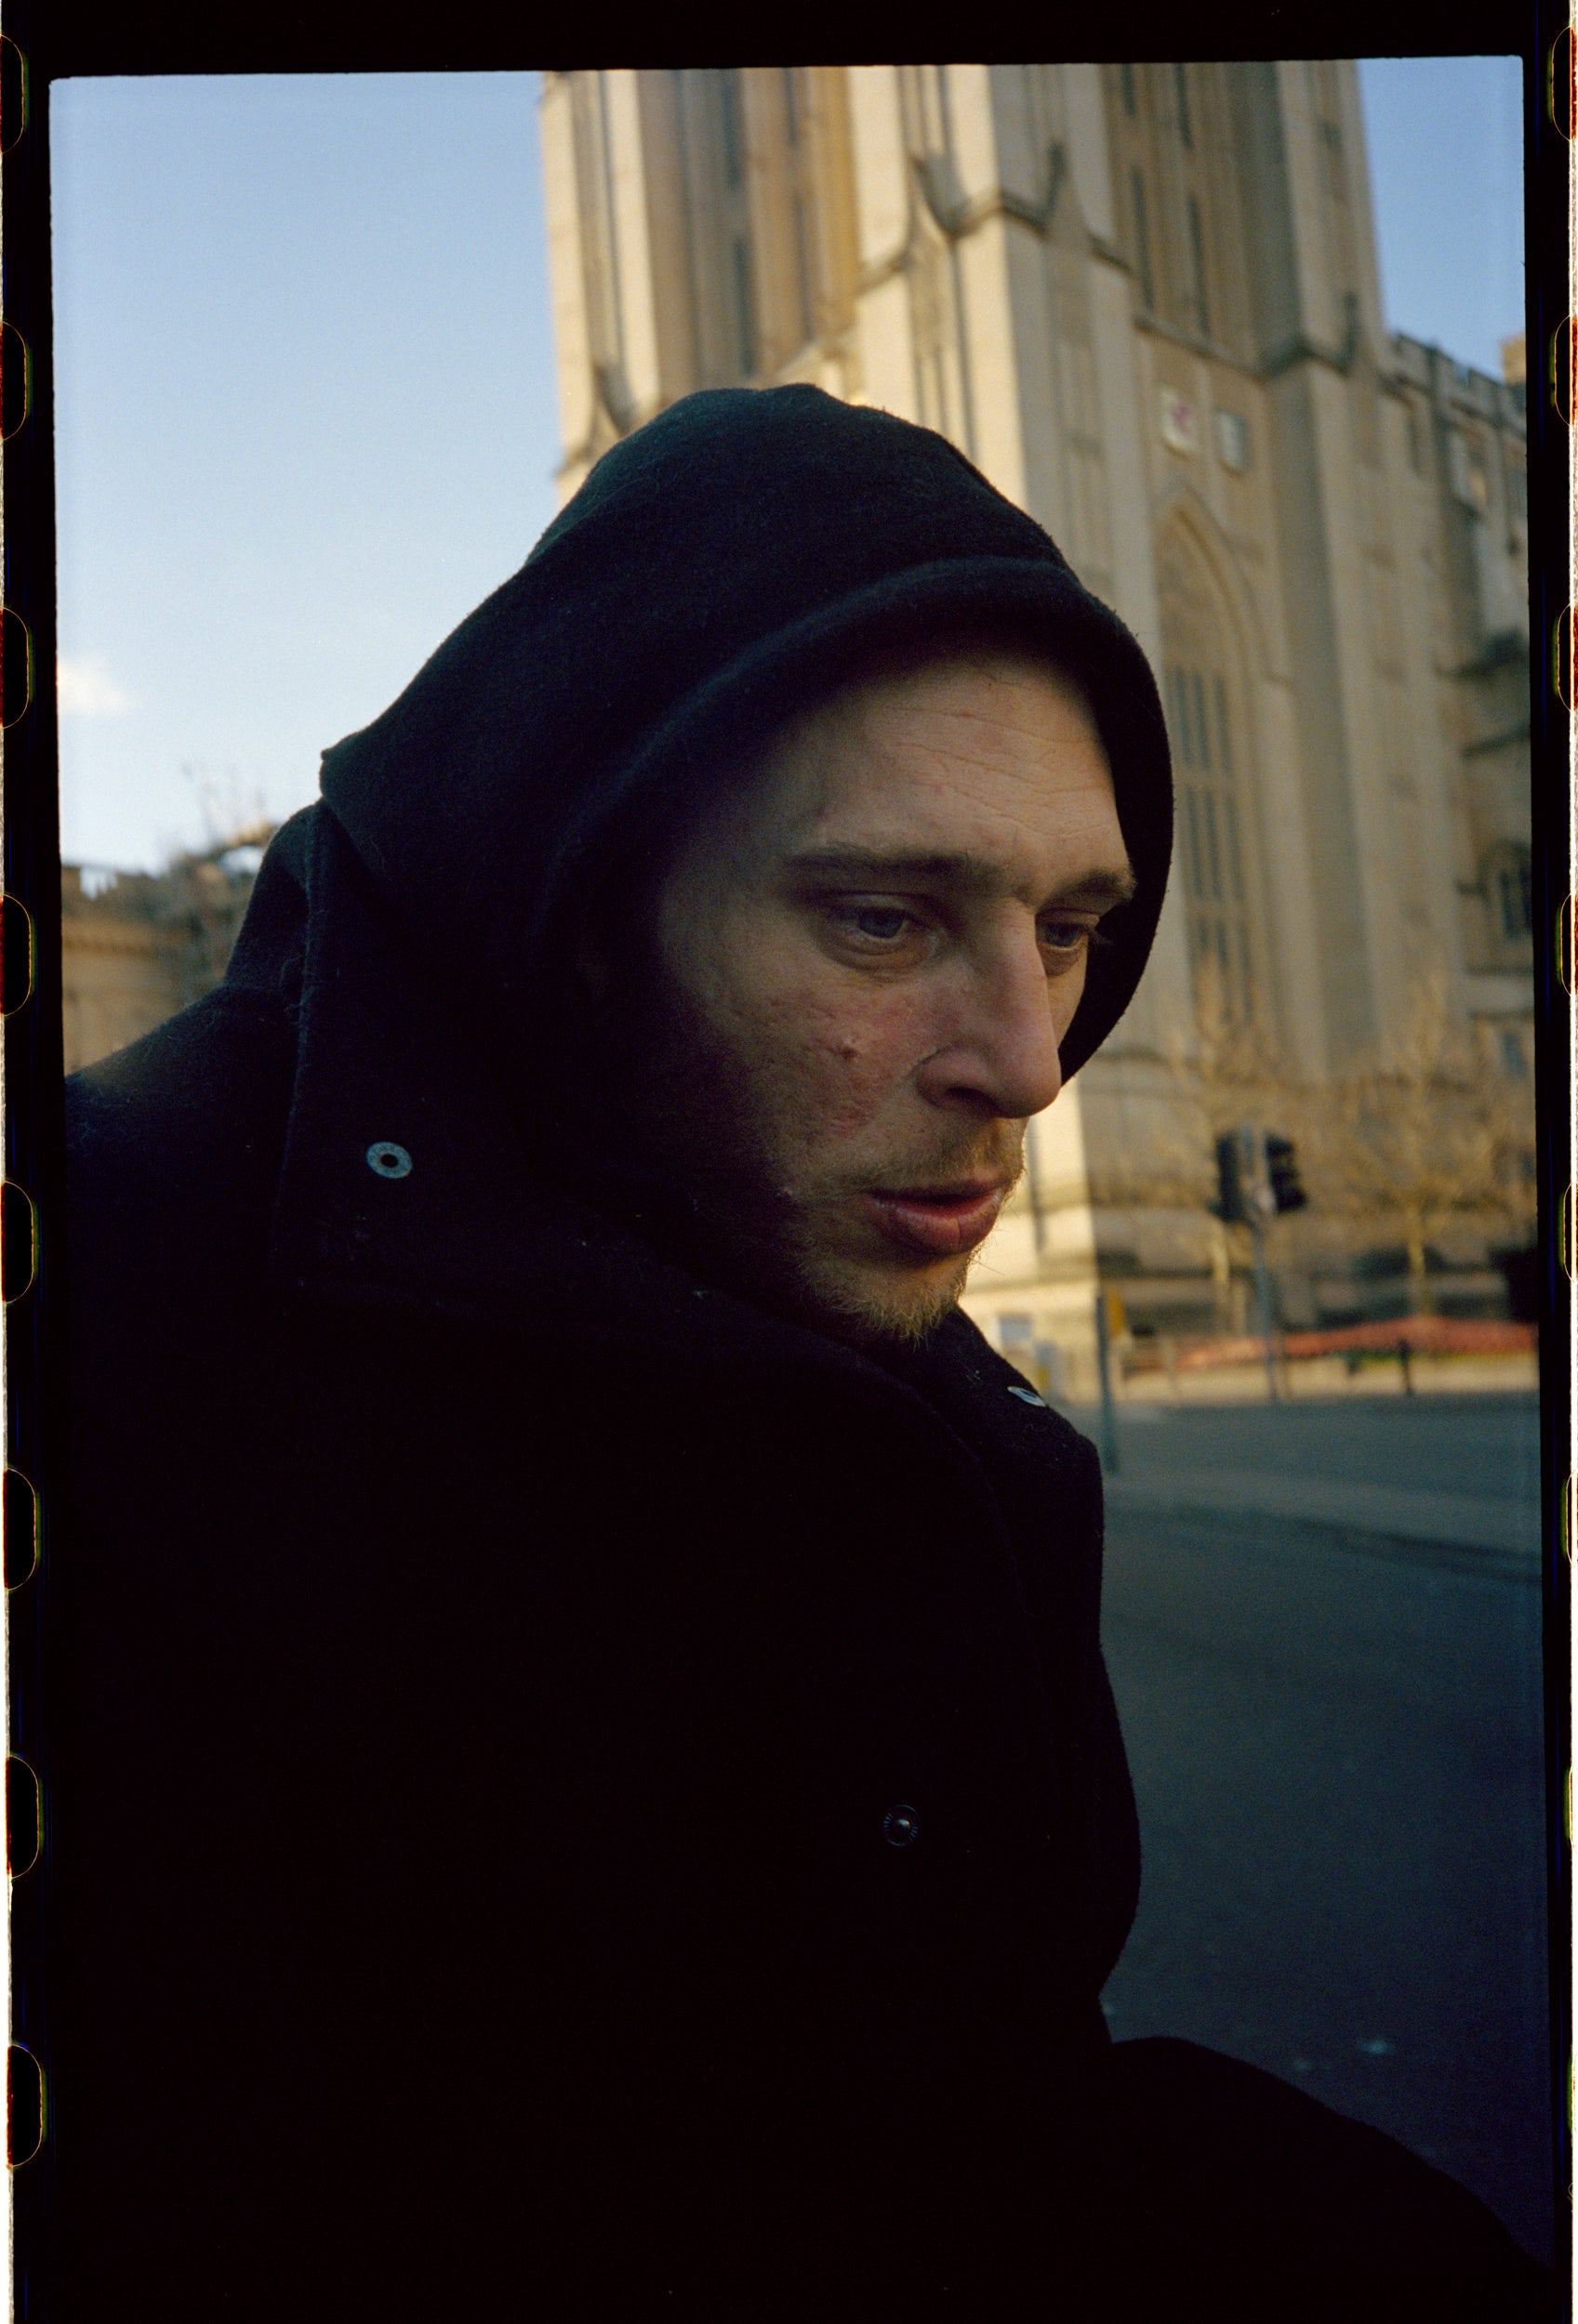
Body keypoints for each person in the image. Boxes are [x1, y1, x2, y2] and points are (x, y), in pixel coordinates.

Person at [60, 387, 1548, 2318]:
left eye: (1076, 925)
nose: (1025, 1057)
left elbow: (963, 2124)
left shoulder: (927, 1391)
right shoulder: (106, 1326)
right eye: (878, 917)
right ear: (583, 908)